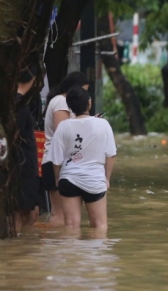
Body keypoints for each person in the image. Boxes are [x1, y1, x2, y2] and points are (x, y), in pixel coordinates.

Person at [47, 87, 116, 231]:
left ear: (70, 106)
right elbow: (111, 155)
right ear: (89, 103)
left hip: (68, 179)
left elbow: (56, 160)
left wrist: (57, 178)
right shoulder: (103, 124)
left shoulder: (63, 127)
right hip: (94, 180)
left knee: (71, 226)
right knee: (99, 226)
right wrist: (107, 178)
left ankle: (72, 254)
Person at [42, 70, 89, 226]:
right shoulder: (62, 102)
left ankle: (57, 247)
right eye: (84, 91)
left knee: (64, 215)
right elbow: (62, 133)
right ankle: (53, 248)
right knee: (60, 215)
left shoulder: (61, 101)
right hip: (56, 161)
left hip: (62, 162)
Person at [14, 67, 40, 229]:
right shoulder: (18, 105)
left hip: (27, 166)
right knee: (20, 212)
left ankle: (23, 245)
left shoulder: (19, 103)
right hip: (21, 167)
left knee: (32, 212)